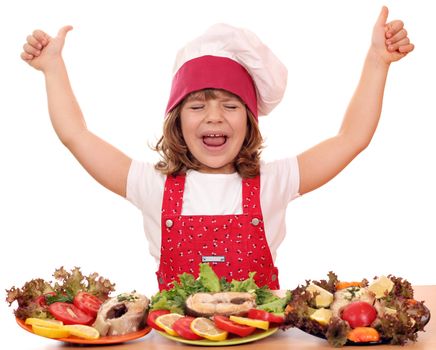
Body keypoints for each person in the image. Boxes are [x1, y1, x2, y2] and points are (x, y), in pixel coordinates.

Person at [20, 7, 413, 291]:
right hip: (177, 341)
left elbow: (351, 138)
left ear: (249, 122)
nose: (214, 117)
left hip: (260, 339)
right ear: (176, 120)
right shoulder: (150, 184)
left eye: (230, 105)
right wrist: (53, 69)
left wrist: (378, 61)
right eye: (197, 105)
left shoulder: (274, 181)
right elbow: (77, 135)